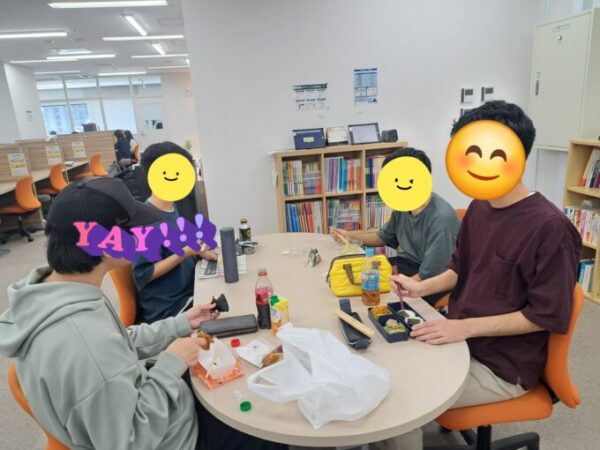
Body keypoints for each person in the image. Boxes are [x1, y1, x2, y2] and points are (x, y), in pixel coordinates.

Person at [0, 177, 285, 450]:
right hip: (175, 440)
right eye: (133, 230)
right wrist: (172, 363)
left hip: (148, 406)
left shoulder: (61, 293)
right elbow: (133, 440)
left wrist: (181, 323)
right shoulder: (83, 340)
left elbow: (117, 342)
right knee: (263, 426)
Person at [386, 101, 581, 449]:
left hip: (502, 365)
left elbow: (546, 315)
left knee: (401, 405)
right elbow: (458, 268)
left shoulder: (551, 228)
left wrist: (462, 328)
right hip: (462, 340)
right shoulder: (480, 207)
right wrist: (421, 287)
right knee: (387, 366)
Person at [330, 147, 461, 306]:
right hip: (405, 266)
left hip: (431, 280)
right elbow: (383, 237)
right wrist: (350, 236)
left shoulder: (441, 218)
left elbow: (431, 274)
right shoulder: (404, 203)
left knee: (372, 298)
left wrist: (390, 290)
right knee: (352, 283)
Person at [133, 142, 218, 323]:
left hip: (189, 291)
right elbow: (144, 274)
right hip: (171, 310)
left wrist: (199, 252)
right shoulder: (146, 222)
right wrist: (186, 252)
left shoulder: (170, 208)